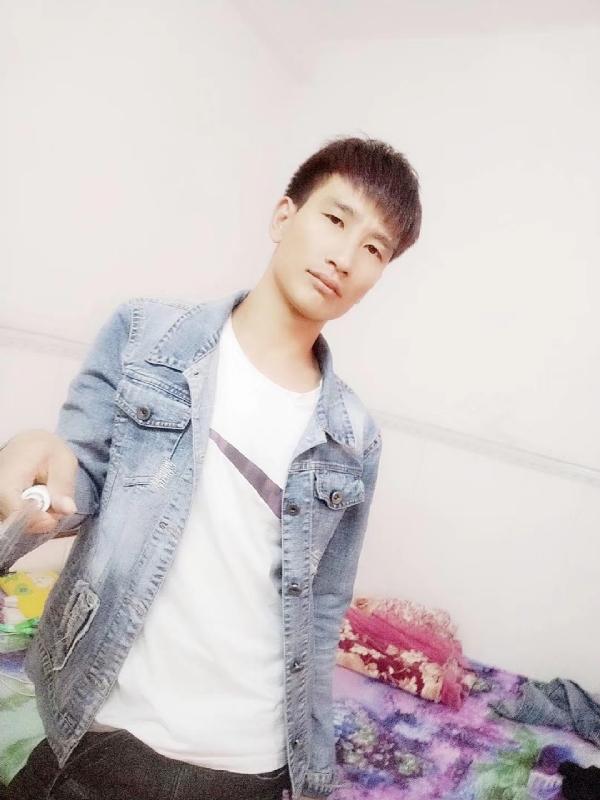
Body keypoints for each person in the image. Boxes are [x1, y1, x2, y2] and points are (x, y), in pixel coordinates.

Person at [0, 136, 421, 799]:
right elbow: (74, 488)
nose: (345, 257)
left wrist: (309, 772)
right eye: (335, 219)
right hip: (105, 728)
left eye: (374, 249)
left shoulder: (354, 436)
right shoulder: (146, 336)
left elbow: (322, 607)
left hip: (249, 764)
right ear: (284, 217)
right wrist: (32, 457)